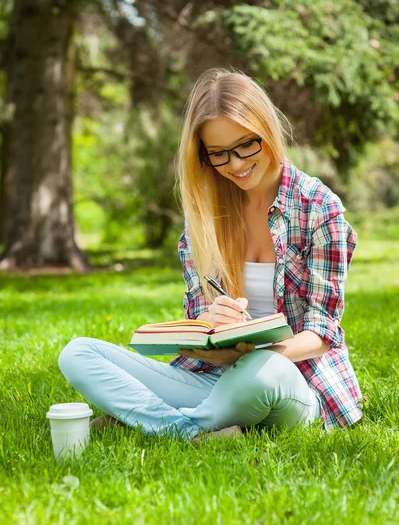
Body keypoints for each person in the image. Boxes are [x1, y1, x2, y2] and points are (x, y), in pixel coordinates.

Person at [58, 68, 362, 444]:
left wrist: (246, 357)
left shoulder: (319, 208)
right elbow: (198, 315)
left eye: (246, 145)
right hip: (216, 376)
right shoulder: (205, 217)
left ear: (266, 130)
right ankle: (193, 429)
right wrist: (209, 324)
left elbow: (322, 332)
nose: (235, 164)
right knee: (78, 354)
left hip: (289, 377)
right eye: (218, 154)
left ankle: (148, 418)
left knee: (260, 371)